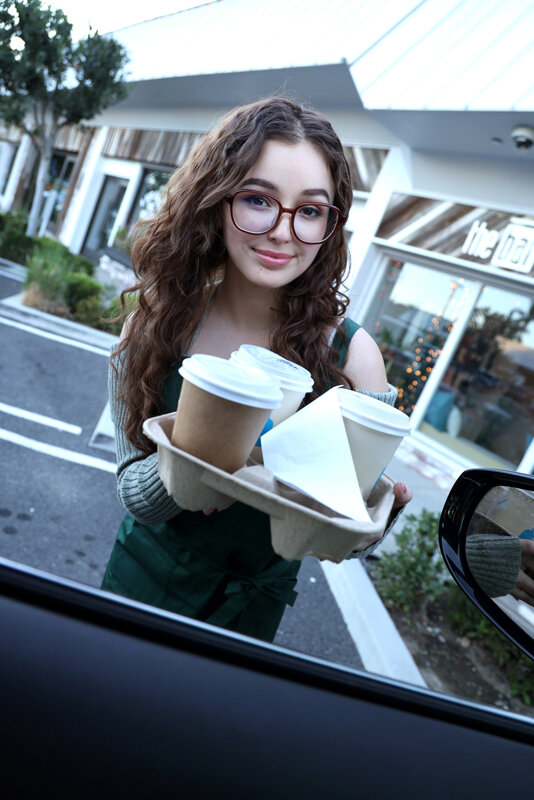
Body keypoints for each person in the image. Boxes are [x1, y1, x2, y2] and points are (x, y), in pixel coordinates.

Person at [101, 97, 412, 642]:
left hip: (249, 620)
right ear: (215, 201)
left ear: (331, 224)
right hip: (139, 590)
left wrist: (370, 526)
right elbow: (135, 497)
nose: (283, 231)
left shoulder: (354, 358)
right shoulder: (152, 326)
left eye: (311, 210)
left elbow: (343, 539)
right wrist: (201, 457)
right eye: (257, 199)